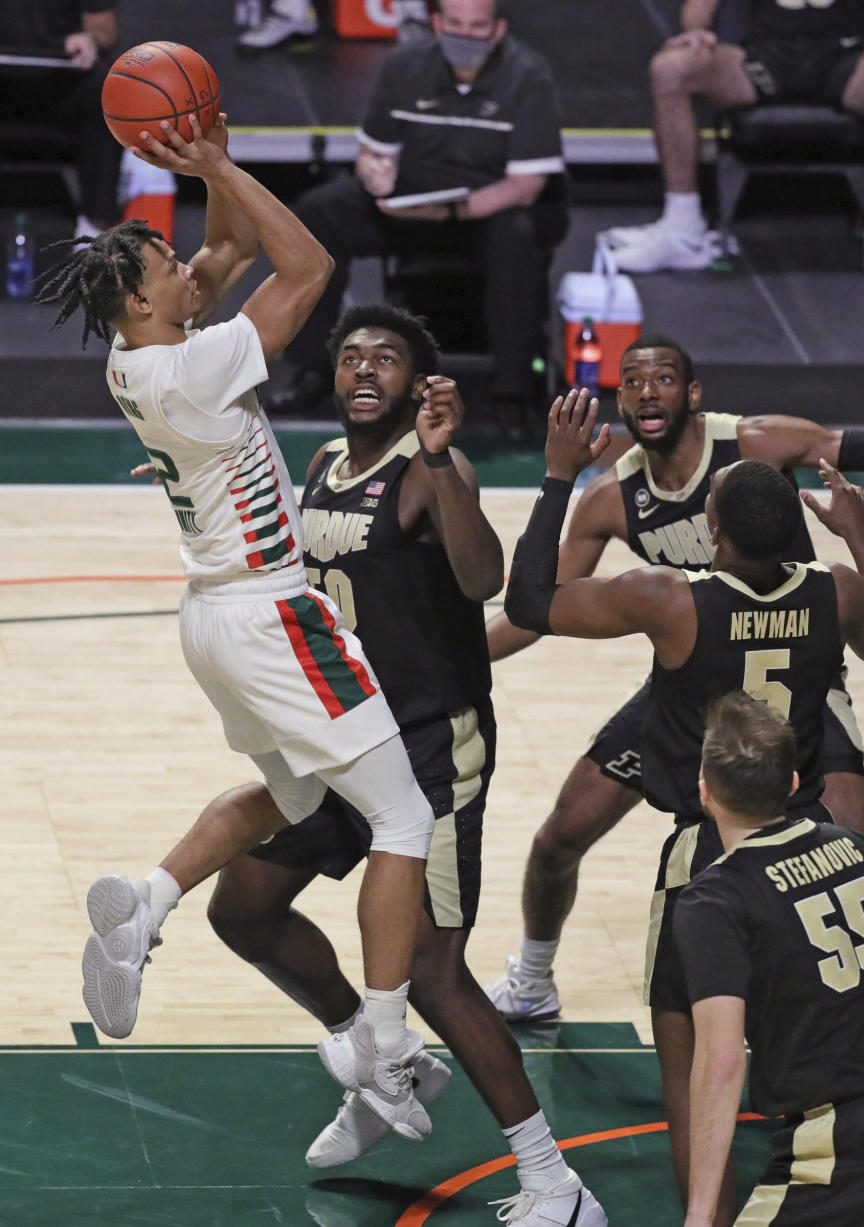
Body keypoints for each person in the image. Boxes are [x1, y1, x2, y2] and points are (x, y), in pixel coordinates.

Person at [36, 114, 438, 1140]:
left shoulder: (139, 359)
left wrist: (206, 159)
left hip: (215, 617)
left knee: (294, 796)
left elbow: (232, 249)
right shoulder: (191, 366)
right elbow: (304, 264)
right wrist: (216, 163)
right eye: (168, 263)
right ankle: (384, 1046)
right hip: (270, 613)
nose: (191, 265)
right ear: (141, 299)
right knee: (402, 822)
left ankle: (148, 898)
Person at [204, 301, 605, 1226]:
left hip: (431, 746)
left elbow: (480, 580)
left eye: (385, 358)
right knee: (244, 907)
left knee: (432, 967)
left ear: (420, 384)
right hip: (344, 735)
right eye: (351, 357)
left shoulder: (431, 470)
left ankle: (555, 1182)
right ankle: (378, 1050)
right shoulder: (320, 466)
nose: (363, 371)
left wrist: (437, 457)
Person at [502, 388, 864, 1223]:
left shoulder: (672, 600)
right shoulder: (833, 591)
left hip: (714, 850)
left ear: (715, 534)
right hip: (808, 841)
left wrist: (556, 480)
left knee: (696, 1073)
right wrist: (862, 537)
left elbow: (529, 603)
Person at [485, 333, 864, 1027]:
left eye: (664, 378)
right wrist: (461, 653)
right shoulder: (611, 499)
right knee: (561, 835)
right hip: (696, 691)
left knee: (857, 863)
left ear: (693, 393)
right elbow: (539, 608)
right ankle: (531, 978)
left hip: (799, 682)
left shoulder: (756, 445)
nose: (649, 392)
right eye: (635, 382)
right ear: (621, 399)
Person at [676, 690, 864, 1227]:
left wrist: (699, 1214)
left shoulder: (714, 901)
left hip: (837, 1144)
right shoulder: (856, 846)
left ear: (705, 793)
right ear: (791, 784)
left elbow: (721, 1063)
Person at [268, 0, 567, 438]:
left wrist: (449, 210)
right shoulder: (404, 66)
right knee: (319, 213)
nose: (465, 37)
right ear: (436, 23)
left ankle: (514, 392)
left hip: (488, 210)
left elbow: (526, 185)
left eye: (477, 27)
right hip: (409, 203)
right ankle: (312, 369)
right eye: (456, 25)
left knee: (517, 237)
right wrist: (375, 174)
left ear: (498, 30)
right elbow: (373, 152)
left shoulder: (528, 76)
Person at [604, 0, 864, 290]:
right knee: (671, 67)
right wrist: (696, 29)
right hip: (766, 61)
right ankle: (682, 228)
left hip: (848, 61)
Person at [0, 0, 122, 235]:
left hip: (61, 79)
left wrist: (90, 39)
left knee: (106, 89)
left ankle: (93, 228)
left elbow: (105, 31)